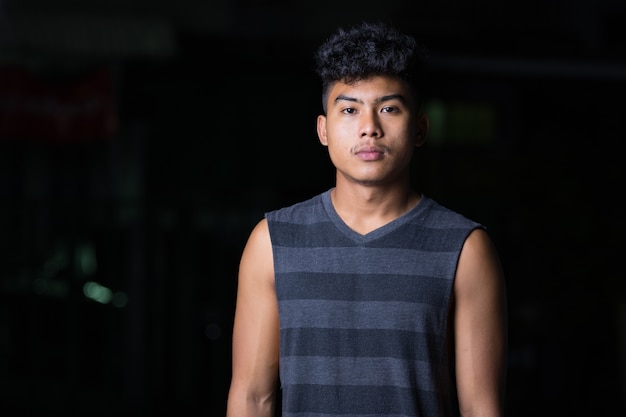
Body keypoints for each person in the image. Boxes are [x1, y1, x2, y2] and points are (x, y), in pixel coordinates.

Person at [226, 21, 508, 417]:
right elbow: (252, 398)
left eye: (389, 108)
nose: (369, 128)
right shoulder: (273, 241)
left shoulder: (465, 249)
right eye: (349, 109)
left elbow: (481, 407)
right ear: (323, 129)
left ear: (420, 129)